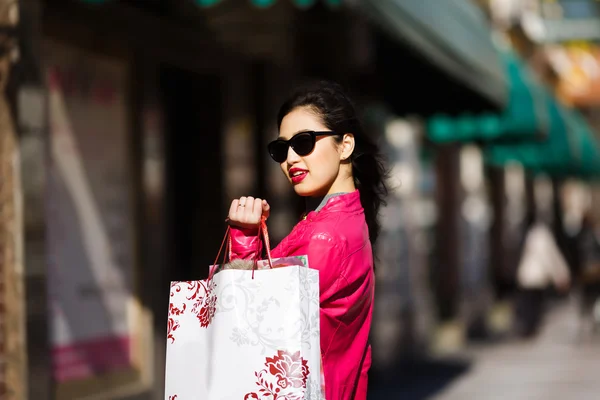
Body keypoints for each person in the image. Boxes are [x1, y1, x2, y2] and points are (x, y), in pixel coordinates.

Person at [226, 80, 387, 400]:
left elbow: (245, 328)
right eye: (281, 148)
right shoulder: (348, 223)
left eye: (304, 142)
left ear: (345, 146)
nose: (290, 158)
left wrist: (244, 237)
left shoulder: (324, 238)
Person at [515, 214, 571, 338]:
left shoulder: (532, 234)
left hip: (529, 276)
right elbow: (549, 258)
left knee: (530, 303)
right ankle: (529, 329)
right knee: (533, 303)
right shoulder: (542, 236)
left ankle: (529, 329)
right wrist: (560, 275)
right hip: (535, 276)